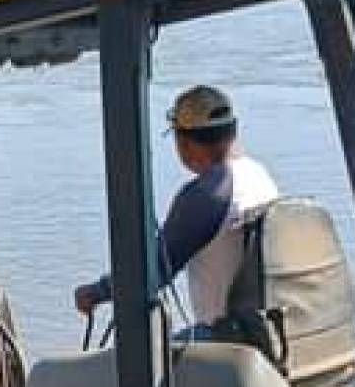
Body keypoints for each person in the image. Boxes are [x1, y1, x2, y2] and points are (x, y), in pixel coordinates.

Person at [74, 84, 280, 338]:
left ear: (184, 141)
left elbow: (154, 271)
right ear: (233, 131)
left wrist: (95, 292)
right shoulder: (259, 176)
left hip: (228, 340)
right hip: (263, 329)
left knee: (114, 368)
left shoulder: (207, 194)